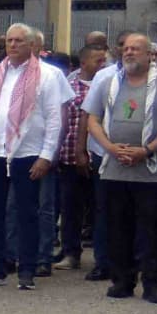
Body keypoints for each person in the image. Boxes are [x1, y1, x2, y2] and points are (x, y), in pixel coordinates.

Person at [0, 24, 73, 291]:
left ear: (31, 45)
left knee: (27, 213)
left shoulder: (48, 75)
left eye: (18, 41)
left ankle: (27, 268)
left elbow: (54, 119)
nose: (12, 45)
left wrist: (47, 155)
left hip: (29, 153)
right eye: (9, 41)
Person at [87, 34, 157, 305]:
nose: (129, 53)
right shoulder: (108, 83)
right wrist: (109, 147)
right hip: (114, 167)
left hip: (149, 170)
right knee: (118, 227)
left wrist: (147, 149)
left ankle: (153, 283)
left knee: (151, 229)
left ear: (150, 55)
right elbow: (93, 120)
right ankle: (122, 280)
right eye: (126, 49)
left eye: (135, 49)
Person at [57, 44, 106, 274]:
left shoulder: (108, 84)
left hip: (99, 155)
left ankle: (102, 256)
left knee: (100, 207)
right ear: (84, 62)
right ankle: (70, 252)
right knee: (70, 208)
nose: (102, 64)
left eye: (104, 60)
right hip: (69, 155)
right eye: (97, 60)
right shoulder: (68, 85)